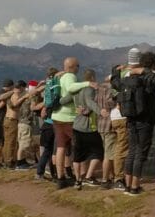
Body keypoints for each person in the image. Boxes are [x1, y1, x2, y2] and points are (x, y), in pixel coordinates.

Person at [118, 51, 155, 195]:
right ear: (152, 64)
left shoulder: (129, 77)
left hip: (130, 118)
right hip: (145, 119)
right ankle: (135, 187)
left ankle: (128, 186)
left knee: (132, 151)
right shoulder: (147, 78)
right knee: (140, 153)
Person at [51, 57, 96, 189]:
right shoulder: (70, 76)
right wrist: (87, 84)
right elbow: (71, 89)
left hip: (57, 116)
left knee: (60, 147)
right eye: (78, 66)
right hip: (69, 118)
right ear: (72, 67)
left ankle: (60, 178)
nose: (78, 68)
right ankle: (81, 176)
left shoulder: (60, 77)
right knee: (80, 146)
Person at [72, 69, 104, 189]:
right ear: (92, 78)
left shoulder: (76, 89)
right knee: (99, 152)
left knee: (78, 154)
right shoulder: (90, 90)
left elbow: (64, 100)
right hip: (89, 126)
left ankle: (77, 180)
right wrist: (99, 111)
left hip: (76, 125)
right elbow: (89, 103)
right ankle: (89, 176)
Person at [111, 48, 137, 190]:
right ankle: (119, 178)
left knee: (120, 147)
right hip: (122, 117)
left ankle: (120, 177)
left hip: (115, 116)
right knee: (123, 148)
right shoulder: (128, 75)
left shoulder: (118, 75)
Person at [33, 68, 59, 181]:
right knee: (55, 151)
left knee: (46, 151)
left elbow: (41, 102)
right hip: (55, 124)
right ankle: (56, 175)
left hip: (46, 124)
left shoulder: (47, 89)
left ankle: (39, 173)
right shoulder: (56, 87)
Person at [95, 73, 117, 189]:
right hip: (109, 124)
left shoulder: (99, 88)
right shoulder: (111, 89)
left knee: (108, 152)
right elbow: (110, 102)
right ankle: (105, 179)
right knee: (109, 154)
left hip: (101, 124)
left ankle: (111, 176)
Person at [0, 78, 14, 168]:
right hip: (1, 120)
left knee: (0, 141)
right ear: (10, 86)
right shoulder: (4, 94)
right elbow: (0, 105)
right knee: (0, 142)